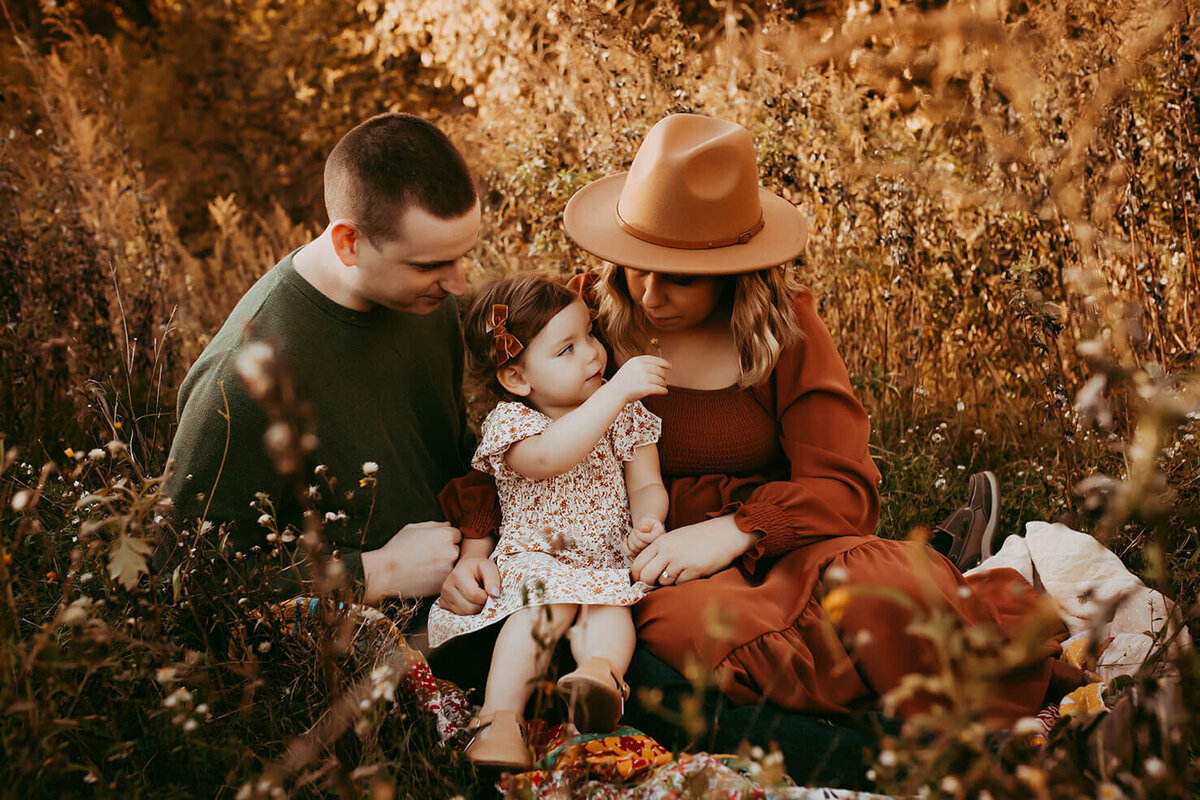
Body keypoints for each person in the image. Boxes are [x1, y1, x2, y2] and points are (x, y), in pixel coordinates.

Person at [437, 114, 1084, 783]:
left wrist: (738, 530)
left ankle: (944, 580)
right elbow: (518, 444)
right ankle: (892, 749)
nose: (650, 296)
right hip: (649, 557)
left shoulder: (783, 326)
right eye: (637, 271)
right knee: (693, 642)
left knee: (891, 588)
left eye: (679, 278)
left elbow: (844, 487)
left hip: (784, 539)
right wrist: (475, 548)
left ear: (730, 272)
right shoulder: (586, 318)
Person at [160, 112, 491, 606]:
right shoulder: (241, 379)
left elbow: (444, 449)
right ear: (349, 242)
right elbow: (185, 575)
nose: (458, 284)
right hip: (368, 655)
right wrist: (374, 573)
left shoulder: (425, 301)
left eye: (462, 256)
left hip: (478, 582)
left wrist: (477, 542)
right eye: (431, 265)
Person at [427, 272, 671, 770]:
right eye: (567, 349)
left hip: (603, 558)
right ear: (518, 378)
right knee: (544, 611)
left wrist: (648, 521)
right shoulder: (515, 424)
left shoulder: (625, 414)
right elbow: (551, 456)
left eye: (590, 336)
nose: (593, 354)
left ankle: (599, 680)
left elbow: (646, 483)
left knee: (609, 610)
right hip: (535, 561)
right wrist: (616, 393)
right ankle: (499, 722)